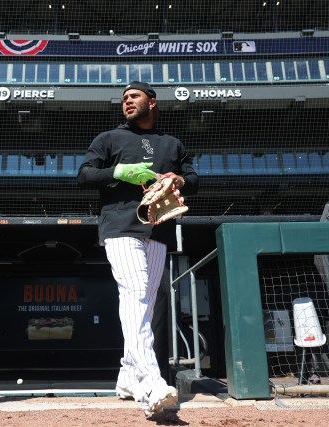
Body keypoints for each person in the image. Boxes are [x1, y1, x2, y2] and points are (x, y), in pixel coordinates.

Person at [77, 81, 199, 417]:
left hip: (158, 230)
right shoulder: (109, 138)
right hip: (120, 226)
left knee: (144, 306)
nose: (127, 102)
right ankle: (151, 383)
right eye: (125, 98)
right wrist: (118, 171)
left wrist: (178, 180)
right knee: (135, 296)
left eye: (135, 97)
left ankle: (128, 377)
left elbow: (196, 179)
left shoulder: (172, 144)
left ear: (152, 102)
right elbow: (84, 175)